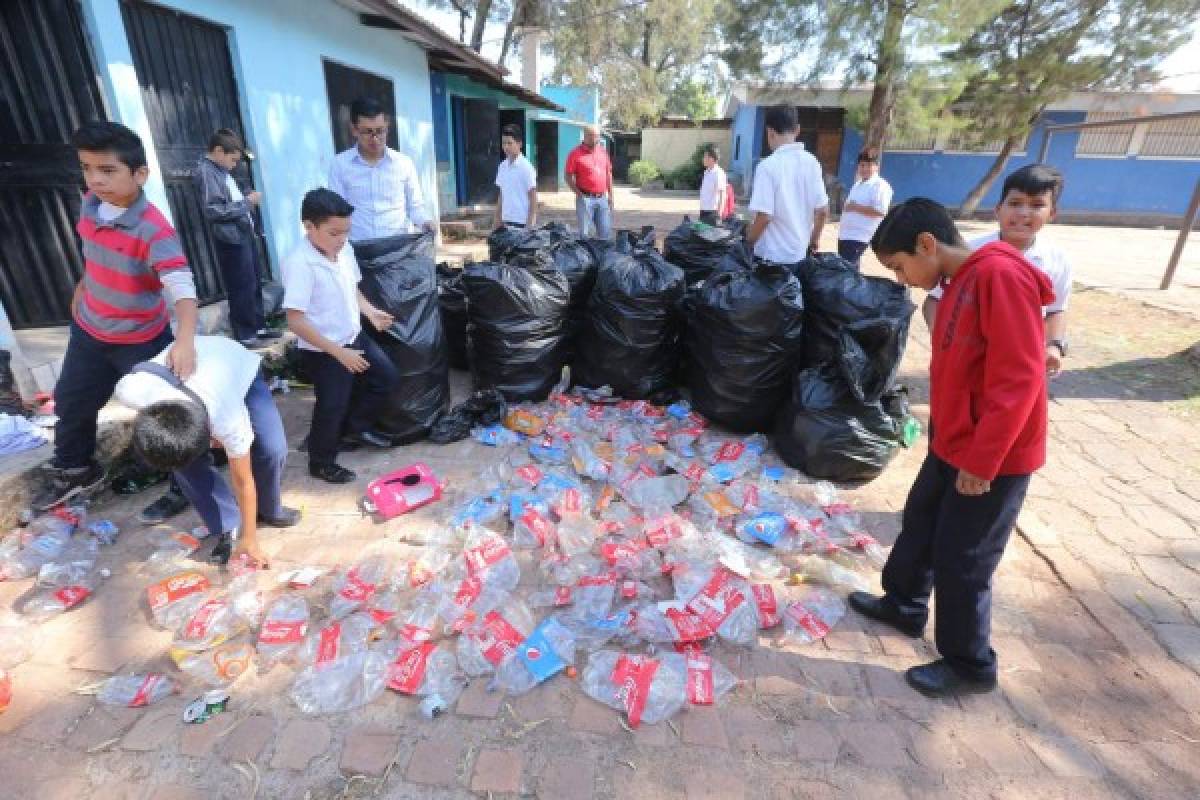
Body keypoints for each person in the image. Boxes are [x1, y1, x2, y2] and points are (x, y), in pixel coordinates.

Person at [850, 197, 1053, 698]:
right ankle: (904, 603)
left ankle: (970, 664)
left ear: (927, 244)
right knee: (922, 521)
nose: (900, 278)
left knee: (965, 556)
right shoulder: (961, 280)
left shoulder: (1000, 277)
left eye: (900, 266)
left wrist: (983, 462)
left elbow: (1019, 381)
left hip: (993, 455)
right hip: (954, 440)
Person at [32, 121, 198, 511]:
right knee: (71, 402)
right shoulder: (90, 203)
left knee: (162, 414)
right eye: (87, 168)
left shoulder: (154, 230)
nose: (95, 179)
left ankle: (184, 486)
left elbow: (183, 288)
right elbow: (93, 251)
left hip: (141, 338)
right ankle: (76, 472)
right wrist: (82, 287)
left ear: (139, 174)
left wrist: (185, 341)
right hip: (90, 331)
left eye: (107, 171)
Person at [114, 335, 299, 567]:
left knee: (272, 448)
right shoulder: (130, 390)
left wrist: (250, 540)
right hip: (191, 379)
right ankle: (228, 528)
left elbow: (243, 481)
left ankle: (269, 508)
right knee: (187, 466)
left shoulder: (226, 419)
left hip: (235, 365)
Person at [282, 189, 398, 484]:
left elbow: (352, 288)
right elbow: (294, 320)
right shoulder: (300, 263)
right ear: (309, 227)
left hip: (353, 335)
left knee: (386, 377)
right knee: (331, 405)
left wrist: (370, 311)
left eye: (346, 232)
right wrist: (338, 353)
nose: (342, 239)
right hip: (324, 350)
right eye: (334, 233)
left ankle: (353, 430)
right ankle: (321, 461)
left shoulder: (344, 250)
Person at [922, 164, 1072, 378]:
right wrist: (944, 341)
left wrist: (1054, 346)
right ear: (998, 208)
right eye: (1015, 203)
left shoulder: (1057, 260)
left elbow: (1057, 309)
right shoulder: (969, 252)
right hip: (967, 359)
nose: (1023, 213)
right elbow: (934, 300)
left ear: (1052, 214)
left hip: (1021, 364)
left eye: (1037, 205)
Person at [194, 128, 278, 348]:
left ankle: (258, 327)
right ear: (219, 151)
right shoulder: (206, 172)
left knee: (253, 283)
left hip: (243, 234)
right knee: (241, 286)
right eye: (232, 159)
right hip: (230, 239)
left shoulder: (220, 171)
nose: (234, 164)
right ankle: (245, 334)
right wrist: (247, 203)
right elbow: (213, 210)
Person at [327, 96, 435, 245]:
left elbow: (415, 207)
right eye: (367, 132)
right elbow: (337, 212)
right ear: (354, 130)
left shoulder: (404, 163)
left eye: (380, 131)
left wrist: (425, 222)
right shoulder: (339, 165)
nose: (375, 138)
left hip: (398, 249)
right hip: (358, 250)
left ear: (387, 126)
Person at [746, 106, 829, 263]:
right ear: (797, 130)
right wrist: (814, 240)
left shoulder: (767, 166)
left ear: (769, 132)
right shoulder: (812, 162)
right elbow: (823, 211)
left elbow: (764, 217)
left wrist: (747, 244)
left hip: (770, 260)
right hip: (799, 256)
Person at [837, 149, 893, 268]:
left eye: (869, 165)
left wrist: (856, 207)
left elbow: (881, 211)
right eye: (862, 165)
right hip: (846, 235)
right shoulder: (858, 184)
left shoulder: (880, 185)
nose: (865, 169)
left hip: (859, 236)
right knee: (850, 271)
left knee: (846, 271)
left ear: (877, 166)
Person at [564, 125, 614, 239]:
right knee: (586, 236)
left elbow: (608, 174)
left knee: (605, 234)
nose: (594, 139)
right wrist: (578, 194)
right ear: (584, 136)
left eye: (597, 136)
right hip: (585, 198)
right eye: (591, 136)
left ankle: (603, 257)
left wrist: (611, 196)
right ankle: (587, 256)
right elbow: (567, 176)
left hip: (602, 199)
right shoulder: (575, 153)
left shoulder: (603, 152)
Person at [493, 124, 538, 230]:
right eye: (504, 143)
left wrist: (530, 225)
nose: (506, 147)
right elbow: (501, 194)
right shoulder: (502, 166)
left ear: (519, 144)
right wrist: (496, 219)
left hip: (522, 223)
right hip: (505, 221)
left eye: (510, 143)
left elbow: (533, 198)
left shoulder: (526, 167)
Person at [698, 144, 728, 225]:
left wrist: (718, 215)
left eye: (705, 157)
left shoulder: (718, 173)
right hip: (703, 210)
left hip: (712, 213)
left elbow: (723, 194)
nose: (703, 159)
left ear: (711, 158)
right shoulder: (707, 172)